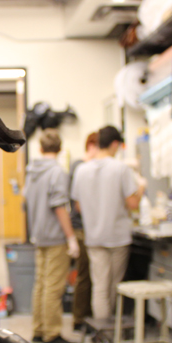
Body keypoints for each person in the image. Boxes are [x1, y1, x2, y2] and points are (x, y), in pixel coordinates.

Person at [71, 125, 145, 321]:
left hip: (94, 237)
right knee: (114, 285)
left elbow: (78, 206)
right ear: (114, 144)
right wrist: (142, 188)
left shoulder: (81, 170)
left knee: (99, 287)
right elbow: (132, 203)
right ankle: (111, 331)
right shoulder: (121, 169)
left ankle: (102, 334)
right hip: (117, 237)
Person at [24, 129, 80, 343]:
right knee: (53, 287)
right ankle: (52, 333)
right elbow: (59, 206)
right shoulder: (57, 172)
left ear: (40, 148)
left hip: (38, 235)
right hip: (55, 237)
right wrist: (71, 237)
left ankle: (39, 329)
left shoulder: (32, 171)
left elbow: (26, 199)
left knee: (40, 284)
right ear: (60, 148)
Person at [69, 131, 98, 332]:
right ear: (92, 146)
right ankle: (80, 318)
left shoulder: (83, 167)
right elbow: (79, 204)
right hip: (82, 228)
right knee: (85, 275)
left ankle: (84, 316)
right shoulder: (81, 167)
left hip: (87, 228)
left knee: (88, 275)